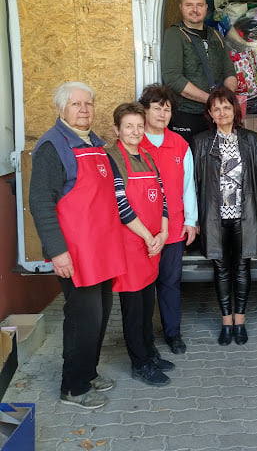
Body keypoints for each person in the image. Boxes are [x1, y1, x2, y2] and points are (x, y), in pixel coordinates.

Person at [29, 82, 127, 409]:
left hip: (101, 250)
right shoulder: (52, 147)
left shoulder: (94, 143)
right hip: (75, 254)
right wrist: (57, 252)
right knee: (80, 320)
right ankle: (72, 386)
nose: (84, 109)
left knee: (99, 316)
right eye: (76, 104)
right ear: (61, 109)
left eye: (88, 104)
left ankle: (88, 371)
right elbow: (41, 203)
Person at [106, 103, 174, 386]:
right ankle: (140, 362)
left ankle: (150, 352)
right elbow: (121, 205)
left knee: (147, 304)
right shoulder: (112, 159)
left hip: (152, 245)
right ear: (117, 130)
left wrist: (164, 232)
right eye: (128, 126)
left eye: (138, 126)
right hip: (130, 246)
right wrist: (148, 237)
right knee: (133, 309)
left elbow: (163, 197)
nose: (135, 131)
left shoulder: (146, 156)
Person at [193, 86, 257, 346]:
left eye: (226, 107)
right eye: (216, 109)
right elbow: (195, 182)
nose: (222, 112)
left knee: (242, 267)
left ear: (235, 110)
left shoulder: (251, 140)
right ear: (210, 114)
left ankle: (240, 321)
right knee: (221, 269)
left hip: (244, 214)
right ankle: (226, 322)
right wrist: (195, 218)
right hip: (215, 215)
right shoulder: (202, 142)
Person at [139, 84, 198, 355]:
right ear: (145, 110)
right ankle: (143, 337)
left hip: (173, 227)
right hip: (140, 229)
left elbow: (189, 186)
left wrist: (191, 220)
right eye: (156, 108)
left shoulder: (180, 144)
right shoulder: (135, 143)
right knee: (141, 286)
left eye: (167, 109)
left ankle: (172, 333)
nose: (162, 114)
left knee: (170, 282)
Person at [161, 0, 237, 146]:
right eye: (189, 5)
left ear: (206, 8)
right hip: (186, 114)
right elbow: (173, 78)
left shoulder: (215, 34)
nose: (195, 10)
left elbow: (229, 71)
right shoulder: (174, 34)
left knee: (215, 157)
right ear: (181, 7)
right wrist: (211, 100)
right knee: (189, 158)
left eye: (199, 5)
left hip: (215, 114)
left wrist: (226, 99)